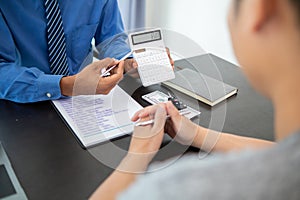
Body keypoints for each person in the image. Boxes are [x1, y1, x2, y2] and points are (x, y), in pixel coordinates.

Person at [90, 0, 300, 199]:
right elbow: (282, 153)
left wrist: (137, 155)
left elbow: (111, 37)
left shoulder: (177, 190)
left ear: (259, 8)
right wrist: (197, 134)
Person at [0, 0, 137, 103]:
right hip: (21, 98)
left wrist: (125, 60)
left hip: (85, 98)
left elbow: (110, 37)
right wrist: (67, 85)